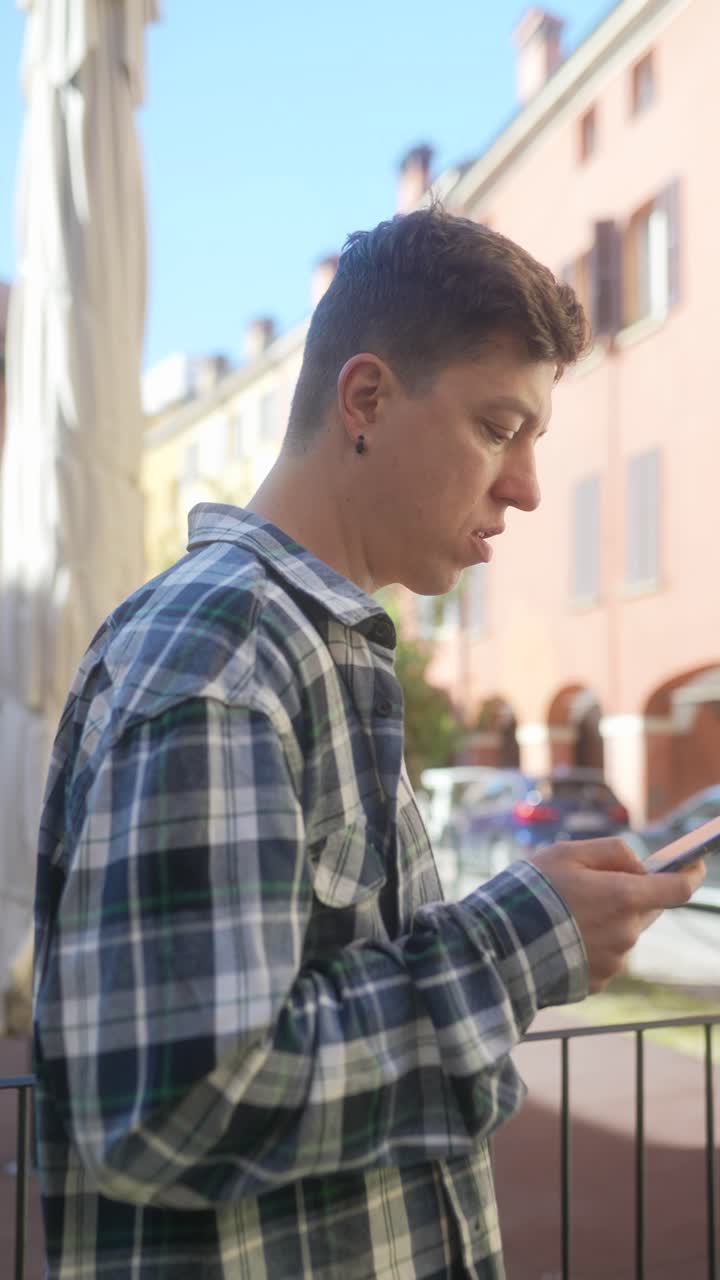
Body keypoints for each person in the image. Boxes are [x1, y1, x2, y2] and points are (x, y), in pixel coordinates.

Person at [32, 207, 703, 1280]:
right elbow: (173, 1102)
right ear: (367, 398)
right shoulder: (223, 651)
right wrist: (518, 939)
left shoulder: (309, 646)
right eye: (497, 428)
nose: (526, 486)